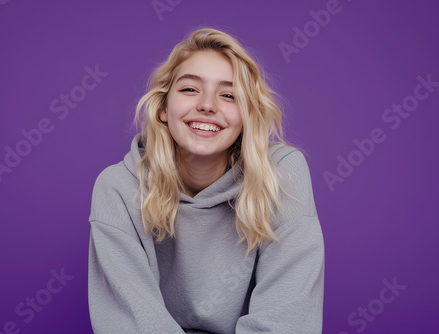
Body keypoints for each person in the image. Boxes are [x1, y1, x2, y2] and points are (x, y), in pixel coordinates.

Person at [88, 28, 324, 333]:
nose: (208, 105)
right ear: (162, 108)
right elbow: (132, 324)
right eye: (189, 89)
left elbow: (287, 320)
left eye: (228, 95)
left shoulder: (282, 174)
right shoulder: (118, 187)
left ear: (247, 116)